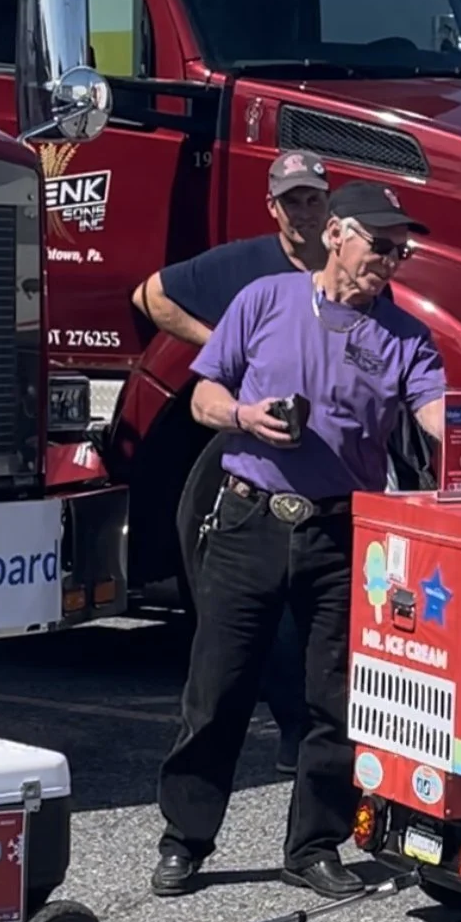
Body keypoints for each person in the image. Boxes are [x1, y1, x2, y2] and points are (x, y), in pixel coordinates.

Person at [151, 180, 447, 901]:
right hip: (250, 515)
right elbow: (202, 395)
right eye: (381, 245)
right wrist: (247, 415)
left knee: (336, 696)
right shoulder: (266, 300)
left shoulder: (405, 336)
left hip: (342, 530)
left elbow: (440, 416)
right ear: (338, 234)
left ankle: (313, 845)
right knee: (217, 687)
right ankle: (184, 840)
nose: (391, 260)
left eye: (400, 250)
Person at [131, 149, 332, 776]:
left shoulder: (348, 267)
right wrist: (224, 347)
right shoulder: (245, 265)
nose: (302, 211)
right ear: (272, 207)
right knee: (245, 616)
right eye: (290, 200)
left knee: (321, 614)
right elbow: (150, 295)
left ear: (330, 204)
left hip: (333, 464)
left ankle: (309, 746)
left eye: (312, 198)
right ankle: (193, 819)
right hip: (252, 459)